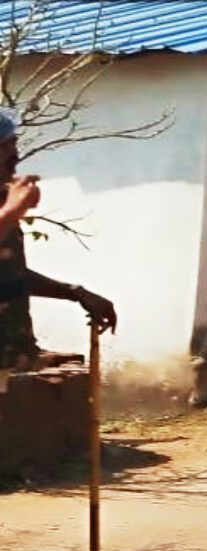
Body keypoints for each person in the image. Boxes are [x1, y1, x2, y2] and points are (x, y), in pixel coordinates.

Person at [0, 108, 117, 390]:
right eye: (6, 148)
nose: (16, 156)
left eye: (15, 145)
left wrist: (73, 291)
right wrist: (12, 211)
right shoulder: (8, 209)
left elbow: (10, 275)